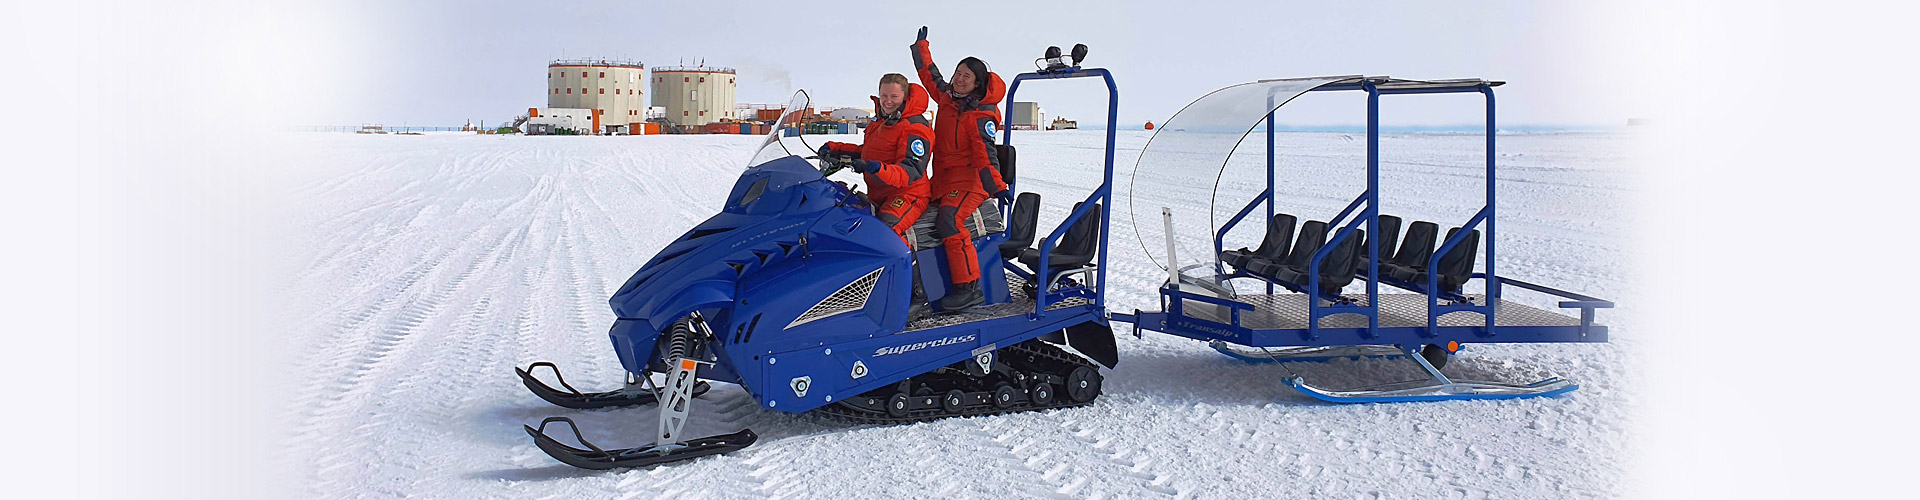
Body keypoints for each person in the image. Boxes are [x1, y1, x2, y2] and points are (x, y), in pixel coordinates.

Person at [815, 74, 936, 316]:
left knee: (885, 233)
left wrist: (875, 168)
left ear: (904, 97)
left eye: (894, 96)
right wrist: (837, 148)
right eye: (884, 96)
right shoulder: (881, 122)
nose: (888, 101)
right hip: (880, 193)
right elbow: (868, 151)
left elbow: (910, 171)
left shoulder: (916, 127)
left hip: (909, 193)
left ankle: (919, 293)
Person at [910, 26, 1010, 312]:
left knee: (950, 221)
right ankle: (920, 285)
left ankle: (969, 288)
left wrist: (996, 187)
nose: (959, 79)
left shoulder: (982, 114)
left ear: (978, 83)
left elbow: (985, 155)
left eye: (967, 76)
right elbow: (930, 76)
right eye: (958, 73)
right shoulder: (947, 97)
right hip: (942, 180)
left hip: (971, 182)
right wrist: (921, 48)